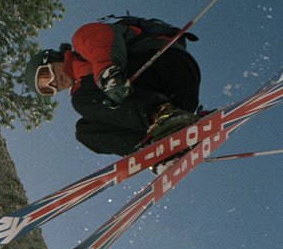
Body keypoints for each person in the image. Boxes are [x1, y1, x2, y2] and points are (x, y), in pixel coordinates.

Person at [24, 17, 202, 156]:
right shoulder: (85, 90)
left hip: (163, 63)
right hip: (181, 99)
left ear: (52, 59)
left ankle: (162, 114)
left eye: (46, 75)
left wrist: (109, 74)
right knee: (87, 132)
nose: (53, 83)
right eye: (48, 89)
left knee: (81, 100)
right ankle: (158, 147)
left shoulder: (81, 42)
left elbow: (101, 40)